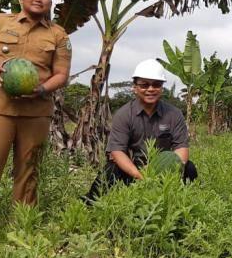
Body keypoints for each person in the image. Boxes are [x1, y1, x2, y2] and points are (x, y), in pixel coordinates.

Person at [0, 0, 72, 243]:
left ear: (50, 2)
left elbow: (61, 74)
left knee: (29, 169)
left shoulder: (58, 35)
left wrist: (41, 89)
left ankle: (22, 227)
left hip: (36, 111)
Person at [82, 59, 197, 202]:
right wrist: (140, 175)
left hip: (164, 171)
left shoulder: (174, 114)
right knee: (110, 170)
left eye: (156, 84)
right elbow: (117, 152)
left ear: (161, 88)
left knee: (190, 168)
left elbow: (182, 150)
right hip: (132, 169)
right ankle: (91, 203)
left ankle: (183, 203)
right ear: (135, 88)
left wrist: (165, 173)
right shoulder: (124, 114)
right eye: (144, 85)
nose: (150, 89)